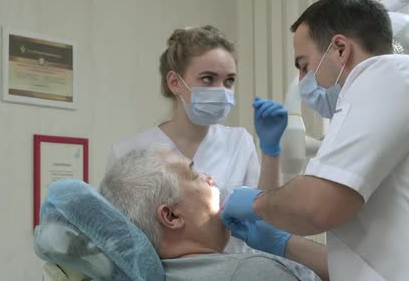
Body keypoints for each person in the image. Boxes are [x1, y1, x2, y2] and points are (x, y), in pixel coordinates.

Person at [221, 0, 409, 280]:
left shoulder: (386, 74)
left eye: (304, 65)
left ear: (339, 49)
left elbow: (320, 206)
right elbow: (362, 266)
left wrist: (256, 202)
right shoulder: (406, 84)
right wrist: (284, 243)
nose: (302, 81)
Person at [105, 25, 288, 252]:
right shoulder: (129, 152)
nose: (221, 89)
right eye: (208, 79)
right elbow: (119, 238)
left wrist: (271, 151)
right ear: (174, 82)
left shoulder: (239, 142)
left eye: (229, 81)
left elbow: (268, 215)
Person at [99, 145, 321, 281]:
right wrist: (288, 244)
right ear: (171, 216)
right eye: (194, 175)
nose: (210, 178)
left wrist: (285, 244)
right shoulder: (252, 273)